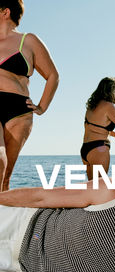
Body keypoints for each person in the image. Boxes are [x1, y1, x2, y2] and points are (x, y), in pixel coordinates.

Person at [0, 0, 59, 192]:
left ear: (5, 12)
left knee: (5, 176)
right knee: (0, 161)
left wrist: (42, 107)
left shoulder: (29, 40)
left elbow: (52, 75)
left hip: (19, 112)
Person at [80, 77, 115, 180]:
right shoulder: (108, 106)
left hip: (85, 149)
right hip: (98, 149)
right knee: (100, 186)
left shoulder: (91, 106)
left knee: (91, 187)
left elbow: (99, 128)